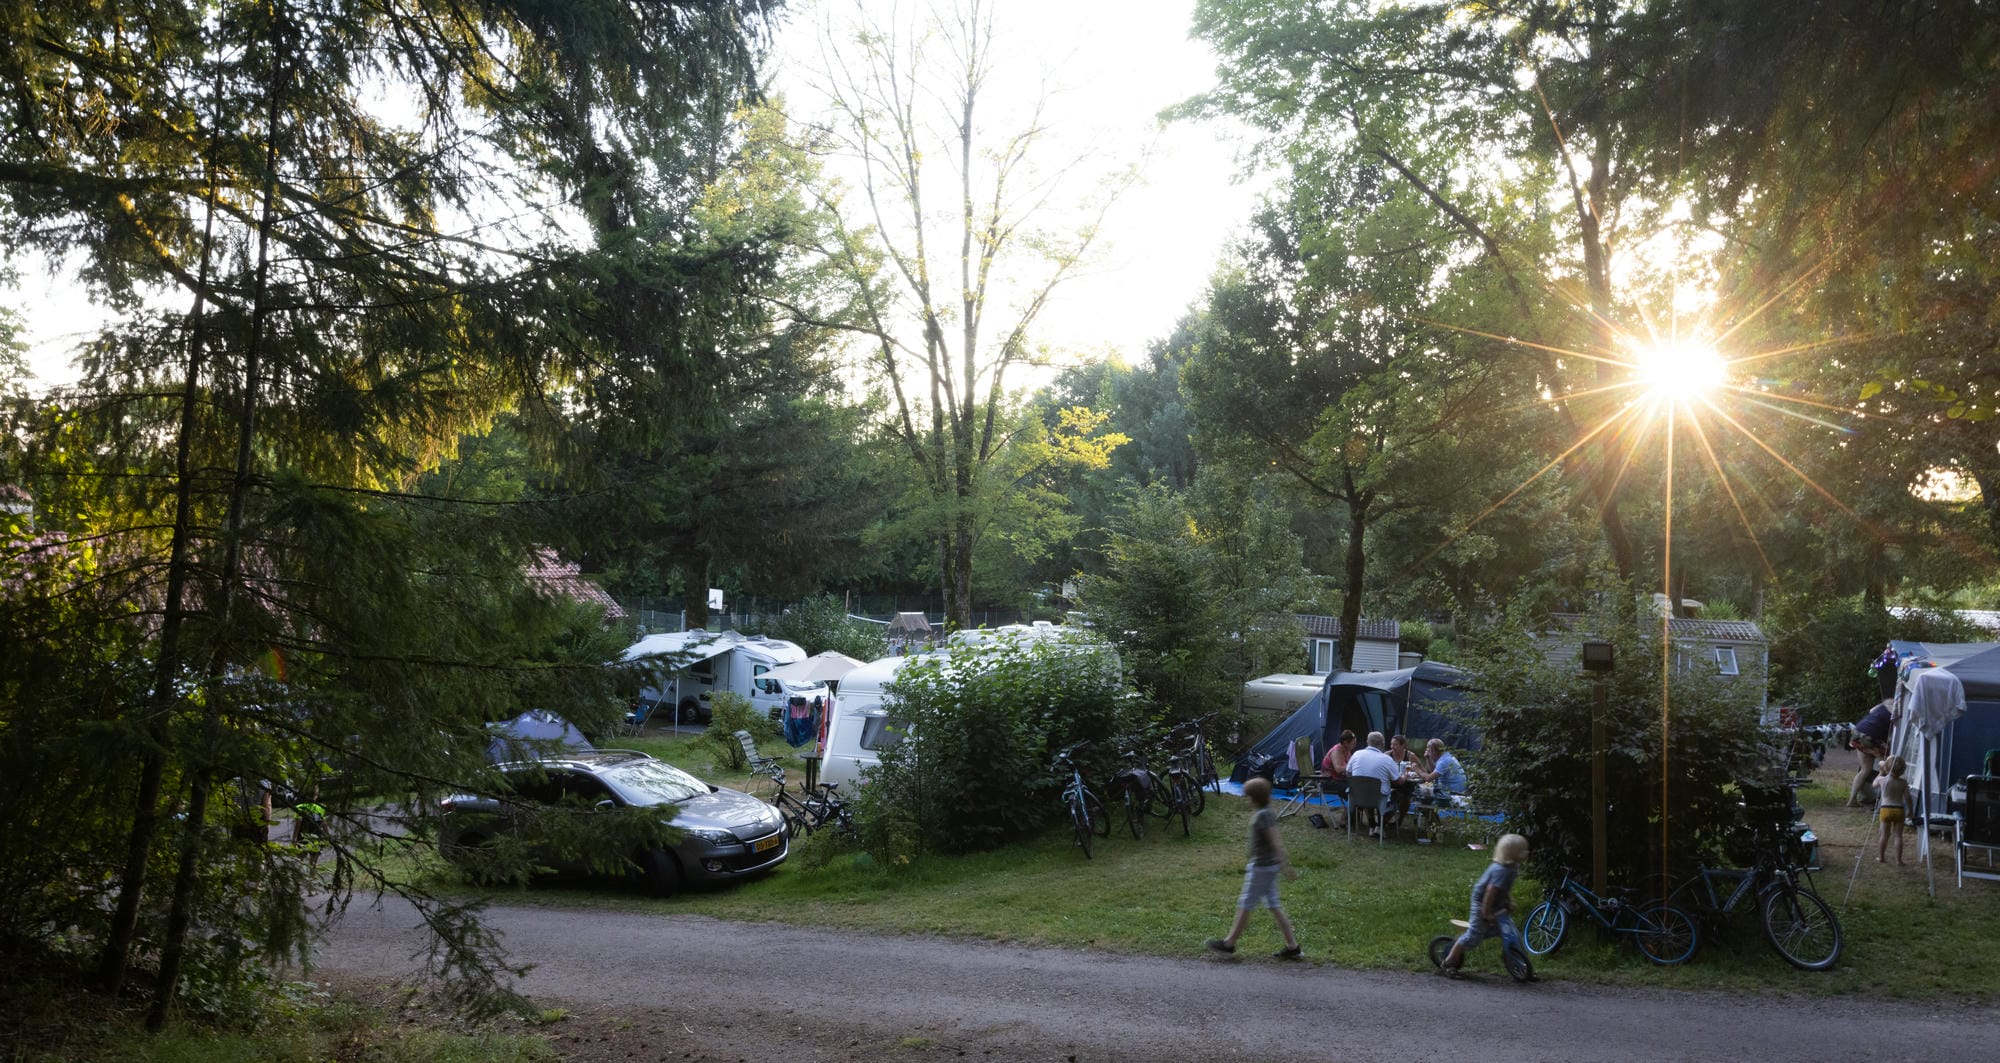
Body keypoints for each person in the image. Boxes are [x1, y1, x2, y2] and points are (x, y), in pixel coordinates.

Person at [1205, 777, 1303, 959]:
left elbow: (1275, 842)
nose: (1247, 800)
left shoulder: (1263, 815)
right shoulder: (1266, 812)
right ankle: (1292, 946)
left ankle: (1229, 943)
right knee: (1274, 905)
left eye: (1248, 797)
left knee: (1246, 904)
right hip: (1266, 867)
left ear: (1256, 798)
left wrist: (1285, 865)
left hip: (1262, 868)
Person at [1438, 832, 1530, 978]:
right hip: (1482, 902)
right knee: (1473, 937)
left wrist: (1508, 900)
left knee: (1507, 932)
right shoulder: (1502, 870)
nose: (1526, 852)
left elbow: (1503, 888)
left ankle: (1515, 962)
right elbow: (1490, 892)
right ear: (1513, 854)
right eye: (1522, 850)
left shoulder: (1512, 867)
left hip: (1495, 901)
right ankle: (1448, 963)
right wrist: (1486, 913)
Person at [1345, 732, 1400, 836]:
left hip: (1357, 797)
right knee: (1398, 796)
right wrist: (1405, 776)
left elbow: (1348, 773)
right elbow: (1398, 781)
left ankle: (1372, 825)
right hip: (1378, 797)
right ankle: (1380, 825)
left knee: (1366, 789)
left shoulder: (1356, 754)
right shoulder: (1387, 759)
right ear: (1382, 744)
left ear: (1367, 742)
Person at [1848, 699, 1895, 807]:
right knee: (1889, 766)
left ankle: (1852, 800)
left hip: (1858, 733)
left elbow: (1871, 711)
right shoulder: (1898, 709)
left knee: (1865, 769)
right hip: (1870, 737)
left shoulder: (1883, 704)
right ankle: (1886, 800)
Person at [1874, 755, 1912, 865]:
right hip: (1899, 809)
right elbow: (1908, 798)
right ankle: (1899, 860)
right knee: (1898, 836)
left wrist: (1881, 772)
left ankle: (1881, 857)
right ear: (1903, 770)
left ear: (1886, 768)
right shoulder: (1903, 783)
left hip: (1885, 809)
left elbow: (1874, 784)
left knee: (1884, 835)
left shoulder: (1882, 780)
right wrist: (1910, 811)